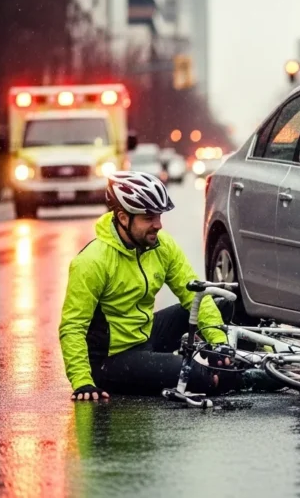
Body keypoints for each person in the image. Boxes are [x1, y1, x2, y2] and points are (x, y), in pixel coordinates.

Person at [58, 171, 272, 401]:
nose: (158, 225)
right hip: (111, 360)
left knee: (218, 305)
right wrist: (82, 381)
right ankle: (246, 378)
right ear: (122, 218)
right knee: (197, 376)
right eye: (149, 218)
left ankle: (246, 358)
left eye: (159, 216)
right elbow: (72, 327)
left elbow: (194, 295)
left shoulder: (162, 246)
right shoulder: (92, 261)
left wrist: (218, 343)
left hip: (145, 337)